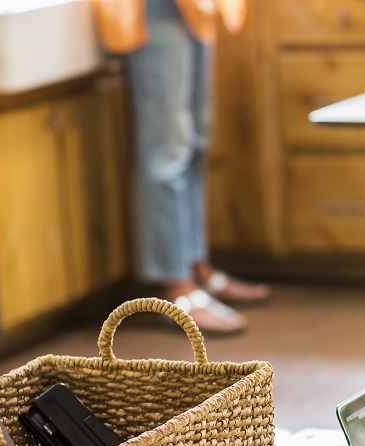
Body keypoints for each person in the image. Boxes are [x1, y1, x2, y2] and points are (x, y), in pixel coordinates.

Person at [93, 0, 269, 334]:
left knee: (196, 142)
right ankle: (177, 286)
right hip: (153, 9)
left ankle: (196, 265)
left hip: (198, 8)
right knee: (167, 151)